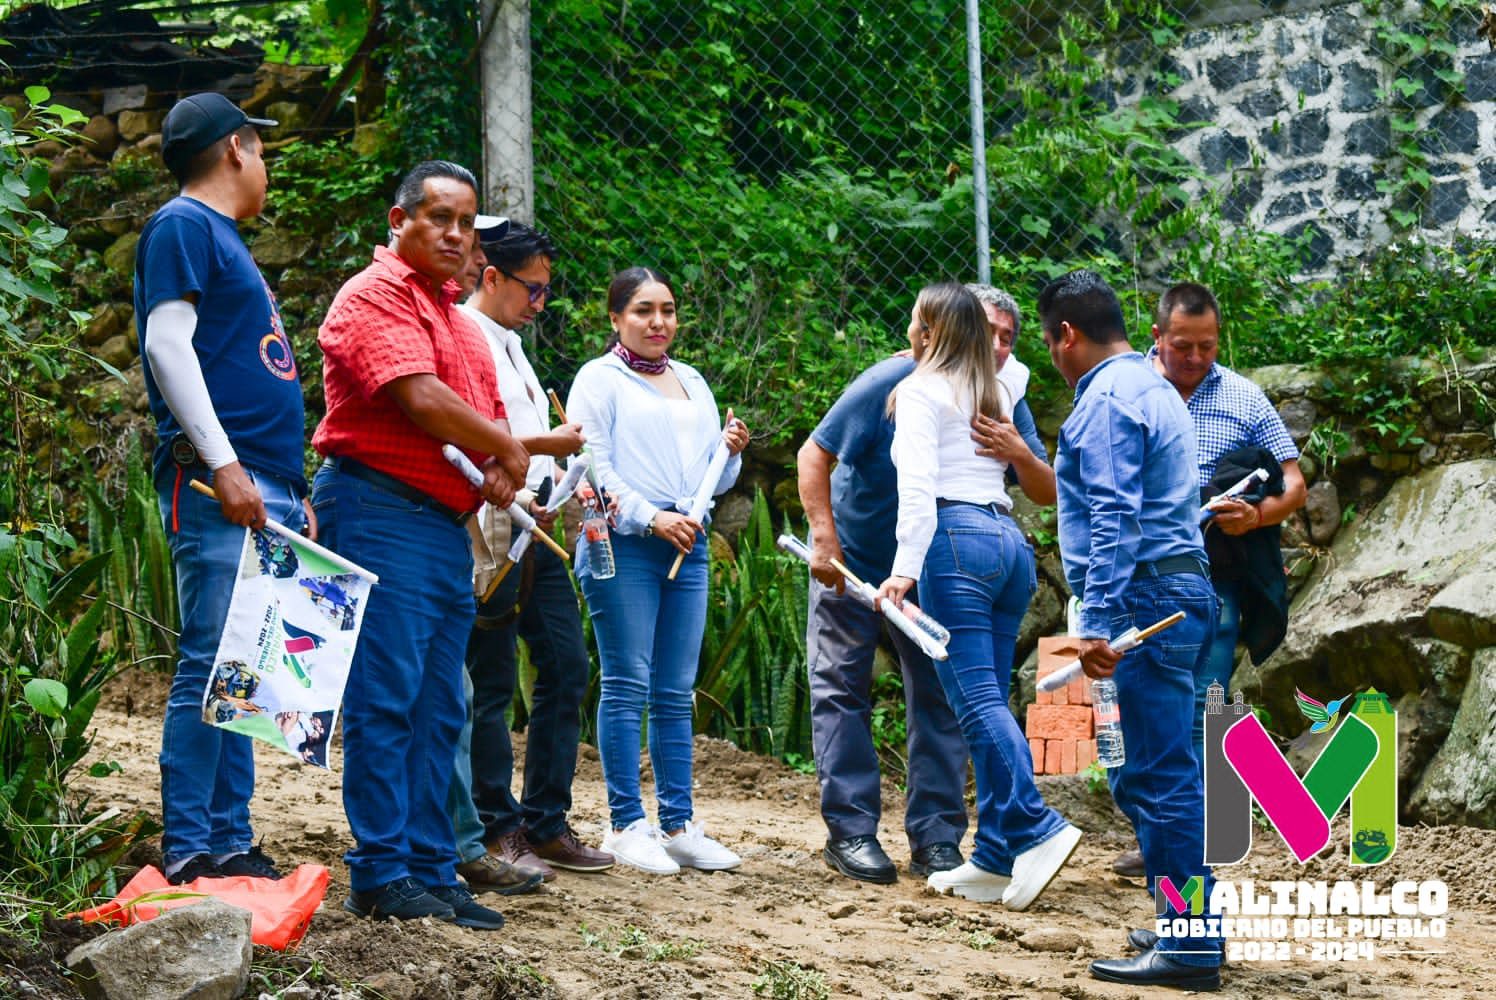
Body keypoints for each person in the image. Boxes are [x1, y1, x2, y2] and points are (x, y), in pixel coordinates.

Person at [310, 160, 530, 930]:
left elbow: (480, 418)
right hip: (375, 508)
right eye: (440, 218)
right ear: (398, 221)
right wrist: (503, 446)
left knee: (443, 707)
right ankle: (380, 872)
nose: (456, 235)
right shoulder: (371, 295)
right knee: (388, 698)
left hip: (440, 526)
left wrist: (496, 471)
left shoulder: (457, 321)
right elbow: (421, 400)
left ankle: (433, 867)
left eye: (467, 223)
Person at [796, 283, 1049, 885]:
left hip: (935, 570)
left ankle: (937, 839)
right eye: (983, 333)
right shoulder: (893, 383)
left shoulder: (1000, 393)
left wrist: (1020, 451)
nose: (993, 348)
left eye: (1006, 340)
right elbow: (814, 454)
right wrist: (824, 542)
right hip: (857, 560)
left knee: (940, 697)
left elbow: (1043, 487)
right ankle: (852, 833)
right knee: (841, 687)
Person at [135, 92, 309, 885]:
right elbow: (167, 344)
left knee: (245, 667)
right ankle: (192, 844)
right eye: (261, 150)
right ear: (236, 148)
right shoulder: (184, 225)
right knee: (211, 661)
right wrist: (225, 462)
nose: (264, 165)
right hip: (218, 483)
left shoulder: (220, 237)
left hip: (262, 480)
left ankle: (232, 838)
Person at [1038, 270, 1222, 990]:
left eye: (1052, 344)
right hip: (1179, 586)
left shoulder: (1107, 401)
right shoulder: (1155, 389)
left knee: (1156, 773)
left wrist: (1101, 620)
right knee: (1160, 769)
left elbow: (1113, 513)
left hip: (1142, 598)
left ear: (1066, 336)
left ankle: (1189, 943)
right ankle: (1190, 926)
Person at [874, 283, 1080, 911]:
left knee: (976, 703)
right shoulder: (996, 387)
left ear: (933, 328)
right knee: (986, 698)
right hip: (1007, 545)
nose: (910, 330)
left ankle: (1036, 827)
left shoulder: (918, 390)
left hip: (953, 544)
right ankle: (993, 854)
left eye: (916, 319)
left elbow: (917, 488)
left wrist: (903, 571)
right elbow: (1006, 361)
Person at [1107, 280, 1308, 881]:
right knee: (1124, 716)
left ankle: (1176, 846)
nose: (1195, 359)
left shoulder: (1245, 398)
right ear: (1156, 337)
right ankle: (1158, 827)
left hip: (1214, 582)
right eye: (1182, 346)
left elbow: (1294, 484)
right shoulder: (1125, 392)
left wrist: (1257, 516)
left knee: (1197, 714)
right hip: (1135, 581)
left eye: (1207, 346)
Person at [565, 267, 750, 875]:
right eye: (643, 310)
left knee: (674, 689)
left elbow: (710, 479)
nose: (659, 322)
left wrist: (730, 454)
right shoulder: (599, 378)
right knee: (626, 682)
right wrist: (650, 518)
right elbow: (595, 465)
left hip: (687, 541)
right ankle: (624, 823)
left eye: (667, 310)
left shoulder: (692, 379)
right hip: (624, 542)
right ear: (616, 317)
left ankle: (678, 824)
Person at [447, 219, 615, 883]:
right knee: (490, 683)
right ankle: (498, 824)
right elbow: (479, 434)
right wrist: (548, 445)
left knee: (567, 667)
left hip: (536, 527)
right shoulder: (464, 332)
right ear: (492, 277)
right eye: (533, 289)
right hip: (490, 530)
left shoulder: (511, 340)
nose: (541, 303)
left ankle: (545, 820)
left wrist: (555, 474)